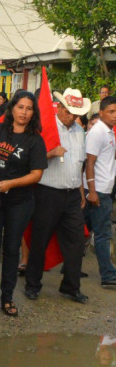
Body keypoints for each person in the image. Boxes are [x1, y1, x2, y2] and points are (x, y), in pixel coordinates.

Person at [0, 91, 47, 317]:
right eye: (20, 107)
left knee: (12, 249)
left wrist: (10, 184)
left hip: (19, 202)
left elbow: (36, 175)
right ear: (12, 108)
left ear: (33, 112)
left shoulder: (35, 139)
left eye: (29, 108)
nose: (24, 112)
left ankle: (7, 299)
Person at [24, 88, 91, 304]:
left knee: (76, 242)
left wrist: (81, 191)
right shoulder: (45, 128)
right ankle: (33, 284)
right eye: (69, 111)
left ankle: (71, 287)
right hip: (47, 193)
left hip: (72, 195)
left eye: (76, 113)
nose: (72, 116)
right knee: (40, 240)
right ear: (59, 107)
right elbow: (29, 161)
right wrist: (50, 153)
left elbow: (79, 165)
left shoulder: (80, 132)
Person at [85, 96, 116, 287]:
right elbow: (89, 162)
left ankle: (68, 267)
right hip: (99, 190)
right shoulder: (98, 132)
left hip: (104, 188)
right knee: (103, 234)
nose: (115, 116)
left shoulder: (108, 131)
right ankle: (108, 276)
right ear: (102, 112)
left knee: (81, 230)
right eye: (111, 112)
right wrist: (93, 191)